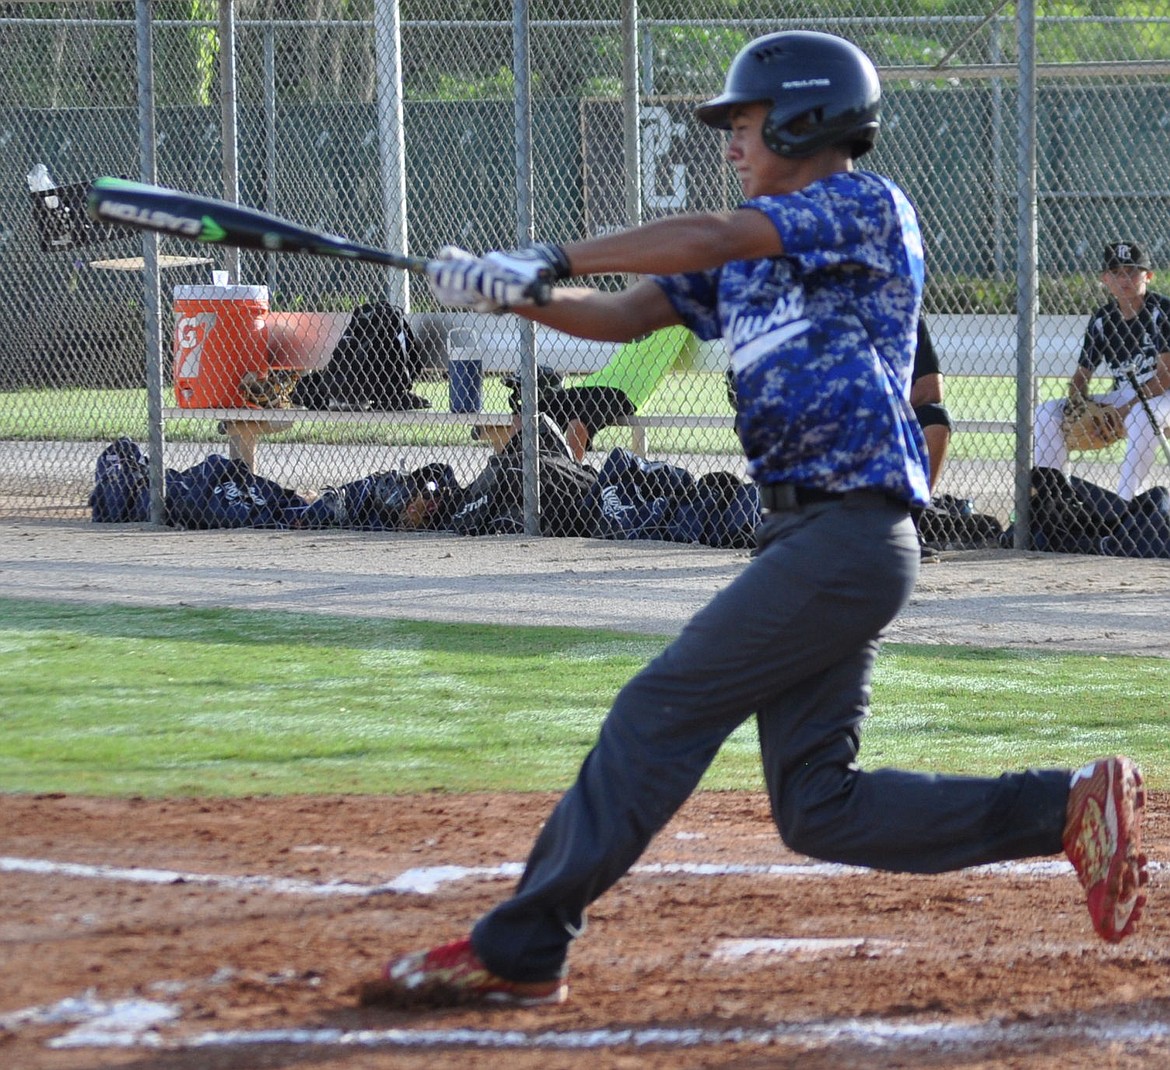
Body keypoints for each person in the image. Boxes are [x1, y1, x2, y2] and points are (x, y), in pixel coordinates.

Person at [360, 30, 1148, 1010]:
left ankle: (522, 942)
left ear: (808, 117)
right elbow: (627, 313)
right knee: (819, 806)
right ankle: (1067, 805)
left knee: (658, 710)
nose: (732, 140)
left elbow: (718, 234)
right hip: (806, 540)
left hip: (848, 530)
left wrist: (546, 254)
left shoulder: (863, 208)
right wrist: (514, 292)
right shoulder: (752, 249)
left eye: (745, 121)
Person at [1034, 241, 1170, 501]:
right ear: (1104, 279)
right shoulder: (1102, 319)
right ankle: (1053, 498)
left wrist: (1122, 410)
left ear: (1148, 276)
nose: (1124, 279)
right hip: (1128, 397)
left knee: (1141, 416)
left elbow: (1166, 375)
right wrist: (1080, 404)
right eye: (1116, 273)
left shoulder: (1163, 311)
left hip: (1163, 396)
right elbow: (1081, 377)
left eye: (1132, 271)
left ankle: (1125, 504)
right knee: (1047, 413)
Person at [504, 326, 690, 461]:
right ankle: (505, 472)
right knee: (531, 411)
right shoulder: (643, 307)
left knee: (579, 420)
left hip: (626, 391)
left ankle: (570, 480)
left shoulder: (682, 304)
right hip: (595, 382)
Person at [911, 317, 953, 494]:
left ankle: (916, 508)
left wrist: (877, 410)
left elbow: (931, 390)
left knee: (935, 417)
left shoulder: (903, 316)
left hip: (889, 413)